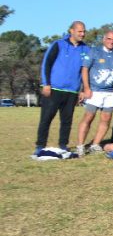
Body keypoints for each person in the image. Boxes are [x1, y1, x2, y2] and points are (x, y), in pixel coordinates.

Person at [36, 21, 91, 155]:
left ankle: (63, 145)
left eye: (84, 31)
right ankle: (40, 145)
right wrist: (46, 83)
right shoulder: (58, 44)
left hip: (72, 91)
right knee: (46, 118)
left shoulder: (86, 49)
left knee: (67, 120)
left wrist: (83, 89)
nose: (82, 34)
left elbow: (86, 71)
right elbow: (46, 63)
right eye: (79, 31)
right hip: (54, 88)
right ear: (71, 31)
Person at [76, 30, 113, 155]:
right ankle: (80, 145)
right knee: (88, 117)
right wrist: (86, 88)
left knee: (106, 119)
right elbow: (85, 69)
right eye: (109, 39)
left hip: (110, 92)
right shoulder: (94, 51)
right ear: (104, 39)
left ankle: (95, 144)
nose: (111, 41)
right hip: (94, 91)